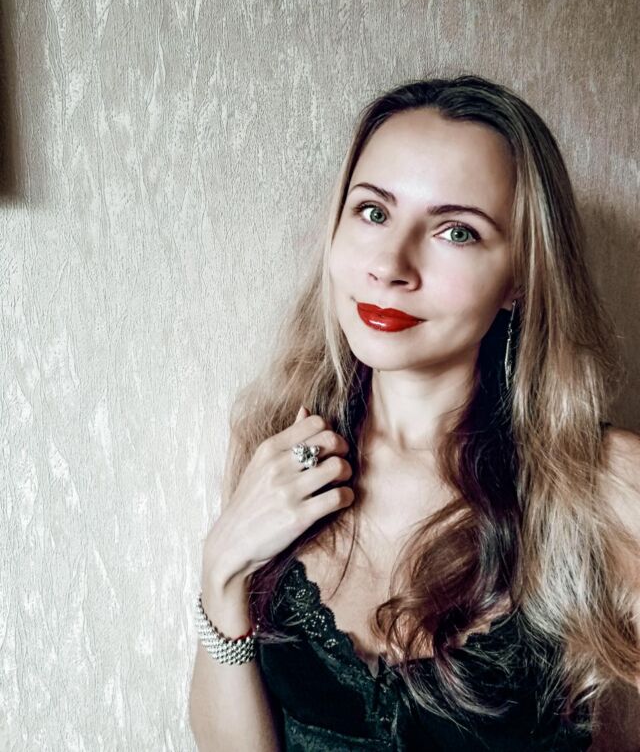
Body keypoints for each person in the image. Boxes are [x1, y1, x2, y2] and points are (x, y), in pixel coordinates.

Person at [189, 74, 640, 751]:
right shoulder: (275, 445)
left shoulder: (606, 484)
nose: (391, 266)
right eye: (373, 212)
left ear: (520, 277)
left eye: (457, 231)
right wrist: (222, 570)